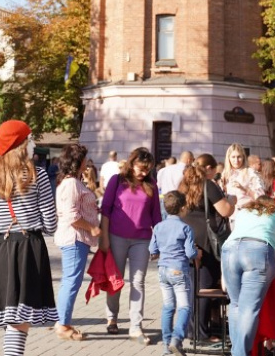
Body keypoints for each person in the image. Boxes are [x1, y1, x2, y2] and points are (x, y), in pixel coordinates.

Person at [0, 120, 57, 356]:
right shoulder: (37, 175)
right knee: (19, 322)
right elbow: (50, 224)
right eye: (30, 140)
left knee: (12, 318)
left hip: (1, 249)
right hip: (29, 248)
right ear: (20, 145)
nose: (33, 145)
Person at [100, 146, 162, 344]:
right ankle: (112, 317)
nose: (144, 172)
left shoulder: (151, 184)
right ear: (132, 163)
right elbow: (106, 209)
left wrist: (158, 243)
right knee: (115, 279)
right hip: (116, 236)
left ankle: (136, 326)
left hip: (142, 239)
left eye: (147, 169)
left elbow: (156, 216)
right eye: (141, 168)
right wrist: (104, 237)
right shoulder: (117, 180)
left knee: (138, 281)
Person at [221, 182, 275, 356]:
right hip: (258, 251)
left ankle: (237, 352)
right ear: (273, 205)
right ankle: (239, 353)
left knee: (235, 305)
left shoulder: (244, 212)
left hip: (229, 250)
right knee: (248, 309)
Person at [179, 153, 234, 344]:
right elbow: (225, 210)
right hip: (205, 241)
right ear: (209, 169)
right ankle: (200, 334)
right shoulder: (208, 185)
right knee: (205, 287)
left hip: (187, 238)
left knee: (193, 287)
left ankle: (192, 330)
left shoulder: (184, 184)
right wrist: (232, 200)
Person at [53, 143, 100, 341]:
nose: (87, 162)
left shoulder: (72, 182)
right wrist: (92, 228)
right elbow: (72, 215)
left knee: (71, 280)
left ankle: (62, 321)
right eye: (84, 159)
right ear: (78, 161)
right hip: (74, 237)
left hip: (76, 238)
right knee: (71, 281)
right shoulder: (71, 183)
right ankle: (63, 324)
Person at [149, 190, 198, 356]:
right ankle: (176, 339)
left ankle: (166, 346)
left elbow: (152, 249)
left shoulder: (158, 227)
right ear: (183, 208)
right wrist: (197, 252)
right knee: (185, 307)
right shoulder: (185, 228)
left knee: (168, 307)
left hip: (163, 270)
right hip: (179, 269)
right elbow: (190, 253)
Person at [220, 145, 261, 211]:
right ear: (229, 158)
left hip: (247, 211)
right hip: (231, 213)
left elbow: (260, 197)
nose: (236, 160)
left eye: (239, 157)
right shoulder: (225, 173)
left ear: (243, 157)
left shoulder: (250, 173)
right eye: (233, 157)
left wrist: (244, 189)